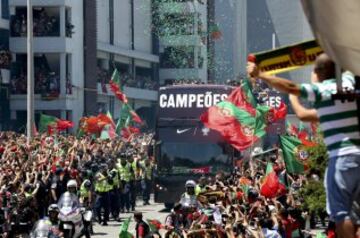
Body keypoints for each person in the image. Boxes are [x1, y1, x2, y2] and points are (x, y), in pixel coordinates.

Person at [247, 53, 360, 238]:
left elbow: (292, 92)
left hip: (341, 158)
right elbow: (309, 115)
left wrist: (260, 74)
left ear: (319, 73)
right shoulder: (349, 83)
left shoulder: (324, 89)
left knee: (342, 214)